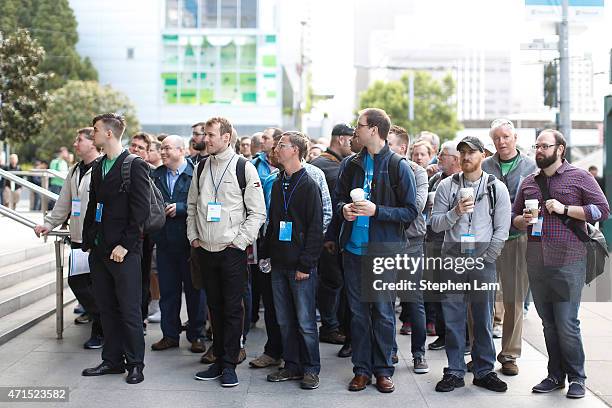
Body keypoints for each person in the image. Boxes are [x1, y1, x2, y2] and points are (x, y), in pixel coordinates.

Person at [512, 129, 609, 399]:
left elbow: (603, 209)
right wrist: (524, 220)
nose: (539, 150)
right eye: (537, 146)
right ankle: (555, 375)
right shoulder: (528, 182)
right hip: (536, 261)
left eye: (545, 145)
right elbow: (514, 219)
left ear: (560, 149)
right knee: (548, 323)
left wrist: (565, 209)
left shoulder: (580, 177)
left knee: (566, 323)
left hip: (569, 261)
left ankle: (577, 378)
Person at [335, 108, 418, 393]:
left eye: (359, 125)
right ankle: (361, 370)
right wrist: (344, 209)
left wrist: (377, 210)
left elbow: (410, 211)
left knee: (382, 312)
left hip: (383, 252)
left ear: (374, 130)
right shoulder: (350, 164)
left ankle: (383, 370)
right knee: (357, 313)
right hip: (353, 251)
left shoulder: (398, 165)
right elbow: (336, 202)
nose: (354, 130)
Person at [188, 117, 266, 388]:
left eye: (210, 135)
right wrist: (194, 237)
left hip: (232, 251)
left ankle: (230, 364)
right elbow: (192, 206)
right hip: (205, 250)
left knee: (233, 310)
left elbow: (257, 212)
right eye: (205, 135)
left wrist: (241, 241)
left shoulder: (244, 167)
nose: (205, 139)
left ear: (226, 137)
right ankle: (219, 360)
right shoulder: (200, 167)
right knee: (214, 308)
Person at [431, 136, 511, 393]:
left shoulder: (495, 187)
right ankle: (454, 370)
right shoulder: (446, 186)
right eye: (462, 152)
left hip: (482, 259)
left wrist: (488, 258)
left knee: (483, 318)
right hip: (452, 258)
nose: (466, 157)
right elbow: (435, 224)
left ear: (482, 155)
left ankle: (484, 370)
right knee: (453, 318)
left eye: (471, 152)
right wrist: (455, 212)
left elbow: (502, 228)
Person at [250, 130, 332, 369]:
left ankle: (311, 368)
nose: (276, 149)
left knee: (305, 322)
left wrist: (306, 264)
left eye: (282, 145)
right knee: (284, 320)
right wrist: (265, 254)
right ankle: (291, 365)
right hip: (278, 263)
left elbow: (317, 227)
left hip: (301, 266)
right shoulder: (277, 183)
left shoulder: (309, 182)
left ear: (295, 150)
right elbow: (272, 223)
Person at [81, 113, 151, 384]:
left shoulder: (134, 165)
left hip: (125, 251)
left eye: (96, 130)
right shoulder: (98, 166)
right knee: (106, 308)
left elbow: (140, 212)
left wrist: (126, 244)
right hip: (99, 250)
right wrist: (89, 239)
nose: (94, 133)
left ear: (109, 133)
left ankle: (135, 364)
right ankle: (111, 361)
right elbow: (93, 205)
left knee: (129, 310)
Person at [34, 127, 103, 349]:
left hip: (97, 240)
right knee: (78, 282)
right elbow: (64, 202)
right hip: (77, 239)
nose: (75, 143)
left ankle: (101, 331)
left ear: (93, 143)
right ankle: (103, 324)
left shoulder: (103, 168)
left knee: (98, 287)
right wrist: (48, 223)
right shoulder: (74, 170)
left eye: (79, 139)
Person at [481, 119, 537, 376]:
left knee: (514, 299)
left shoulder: (531, 166)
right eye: (497, 138)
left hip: (517, 239)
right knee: (483, 298)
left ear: (514, 138)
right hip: (487, 240)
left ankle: (510, 355)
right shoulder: (485, 166)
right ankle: (481, 352)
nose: (501, 142)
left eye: (506, 137)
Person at [150, 135, 206, 353]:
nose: (162, 152)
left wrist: (180, 208)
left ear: (181, 150)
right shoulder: (156, 175)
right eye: (161, 149)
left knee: (195, 293)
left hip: (189, 244)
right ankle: (169, 335)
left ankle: (197, 335)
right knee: (168, 293)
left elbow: (203, 203)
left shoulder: (196, 174)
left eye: (166, 148)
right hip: (164, 244)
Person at [387, 125, 430, 374]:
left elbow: (417, 205)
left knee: (413, 300)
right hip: (385, 243)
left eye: (389, 143)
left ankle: (418, 353)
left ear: (402, 147)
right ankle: (390, 350)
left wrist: (385, 211)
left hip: (412, 242)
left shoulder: (417, 172)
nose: (384, 147)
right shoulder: (380, 169)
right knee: (385, 301)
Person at [310, 123, 354, 345]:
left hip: (334, 236)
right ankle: (329, 326)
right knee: (331, 283)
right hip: (327, 237)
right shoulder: (325, 165)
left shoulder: (334, 163)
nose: (353, 143)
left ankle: (334, 324)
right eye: (350, 138)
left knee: (335, 282)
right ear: (340, 139)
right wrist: (327, 237)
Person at [425, 141, 462, 351]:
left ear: (455, 159)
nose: (438, 158)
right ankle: (442, 334)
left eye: (442, 156)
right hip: (434, 239)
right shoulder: (436, 179)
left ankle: (462, 337)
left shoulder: (464, 181)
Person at [128, 132, 155, 335]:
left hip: (145, 234)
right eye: (133, 146)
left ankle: (141, 317)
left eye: (140, 148)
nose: (135, 149)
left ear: (147, 152)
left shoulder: (154, 172)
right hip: (124, 232)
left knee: (143, 277)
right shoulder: (121, 167)